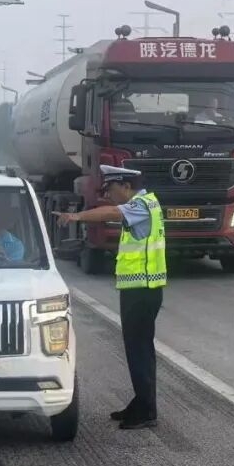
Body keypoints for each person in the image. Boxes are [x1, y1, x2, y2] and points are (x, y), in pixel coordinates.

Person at [56, 165, 166, 429]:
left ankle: (146, 410)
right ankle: (142, 402)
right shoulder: (146, 203)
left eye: (112, 189)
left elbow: (111, 213)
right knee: (139, 350)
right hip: (141, 290)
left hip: (143, 291)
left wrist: (76, 217)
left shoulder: (141, 205)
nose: (109, 195)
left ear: (126, 186)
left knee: (138, 350)